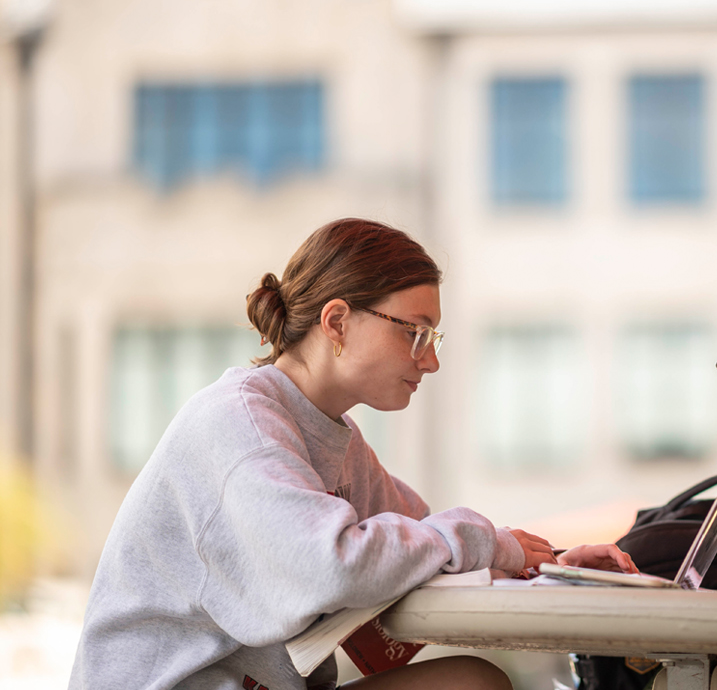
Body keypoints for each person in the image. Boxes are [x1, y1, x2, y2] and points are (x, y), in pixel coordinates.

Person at [70, 218, 636, 690]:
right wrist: (481, 539)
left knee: (472, 681)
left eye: (433, 340)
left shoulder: (333, 436)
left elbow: (429, 543)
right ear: (337, 321)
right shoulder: (239, 425)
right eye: (416, 332)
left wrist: (548, 563)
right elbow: (331, 566)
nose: (430, 361)